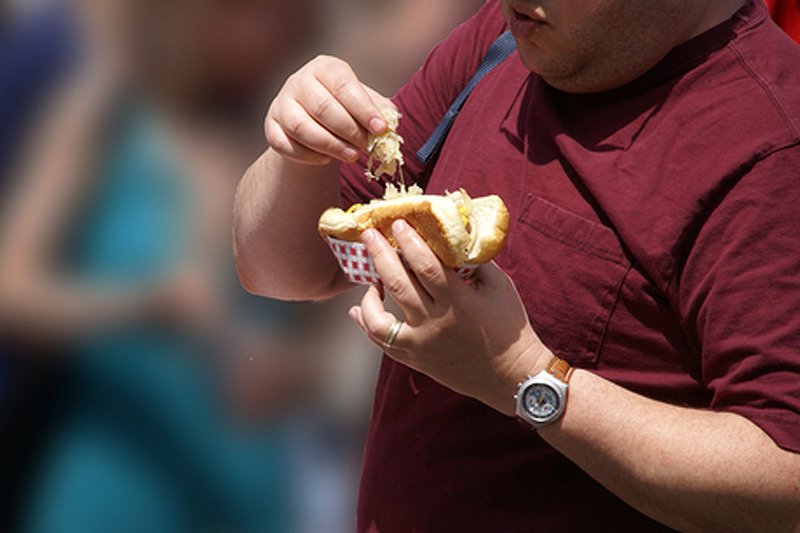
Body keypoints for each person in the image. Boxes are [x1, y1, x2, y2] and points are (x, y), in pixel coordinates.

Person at [234, 0, 800, 531]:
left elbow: (786, 478)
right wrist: (299, 151)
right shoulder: (512, 35)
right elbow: (287, 268)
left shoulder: (773, 148)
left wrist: (523, 376)